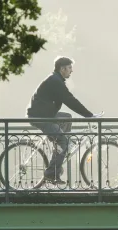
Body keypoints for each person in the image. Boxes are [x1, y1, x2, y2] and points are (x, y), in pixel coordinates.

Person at [27, 56, 100, 184]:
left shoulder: (56, 79)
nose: (71, 71)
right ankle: (51, 174)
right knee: (63, 141)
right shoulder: (55, 81)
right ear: (62, 69)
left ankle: (60, 147)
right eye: (70, 68)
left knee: (67, 117)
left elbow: (68, 100)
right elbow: (70, 100)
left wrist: (88, 115)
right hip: (41, 117)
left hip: (45, 114)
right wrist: (89, 115)